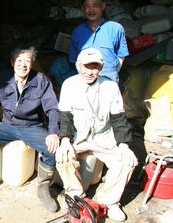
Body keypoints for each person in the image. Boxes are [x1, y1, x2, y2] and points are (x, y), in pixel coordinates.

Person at [0, 45, 60, 212]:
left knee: (52, 148)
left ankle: (43, 188)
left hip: (31, 126)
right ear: (12, 62)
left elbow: (52, 108)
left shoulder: (41, 80)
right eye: (19, 60)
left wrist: (53, 132)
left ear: (32, 63)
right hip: (7, 126)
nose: (23, 64)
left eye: (27, 61)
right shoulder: (1, 79)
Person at [56, 48, 138, 222]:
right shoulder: (69, 84)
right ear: (79, 66)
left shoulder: (110, 86)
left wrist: (124, 145)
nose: (89, 71)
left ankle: (109, 200)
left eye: (94, 67)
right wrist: (64, 140)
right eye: (86, 66)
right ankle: (75, 195)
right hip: (79, 137)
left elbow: (119, 119)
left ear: (100, 68)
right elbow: (65, 118)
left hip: (103, 137)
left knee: (127, 160)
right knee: (62, 156)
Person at [68, 0, 129, 86]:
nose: (91, 10)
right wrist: (86, 76)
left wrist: (112, 74)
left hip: (109, 83)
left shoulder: (116, 28)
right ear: (82, 9)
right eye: (87, 6)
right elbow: (75, 60)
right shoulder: (77, 31)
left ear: (103, 7)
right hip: (86, 84)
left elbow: (121, 56)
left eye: (95, 6)